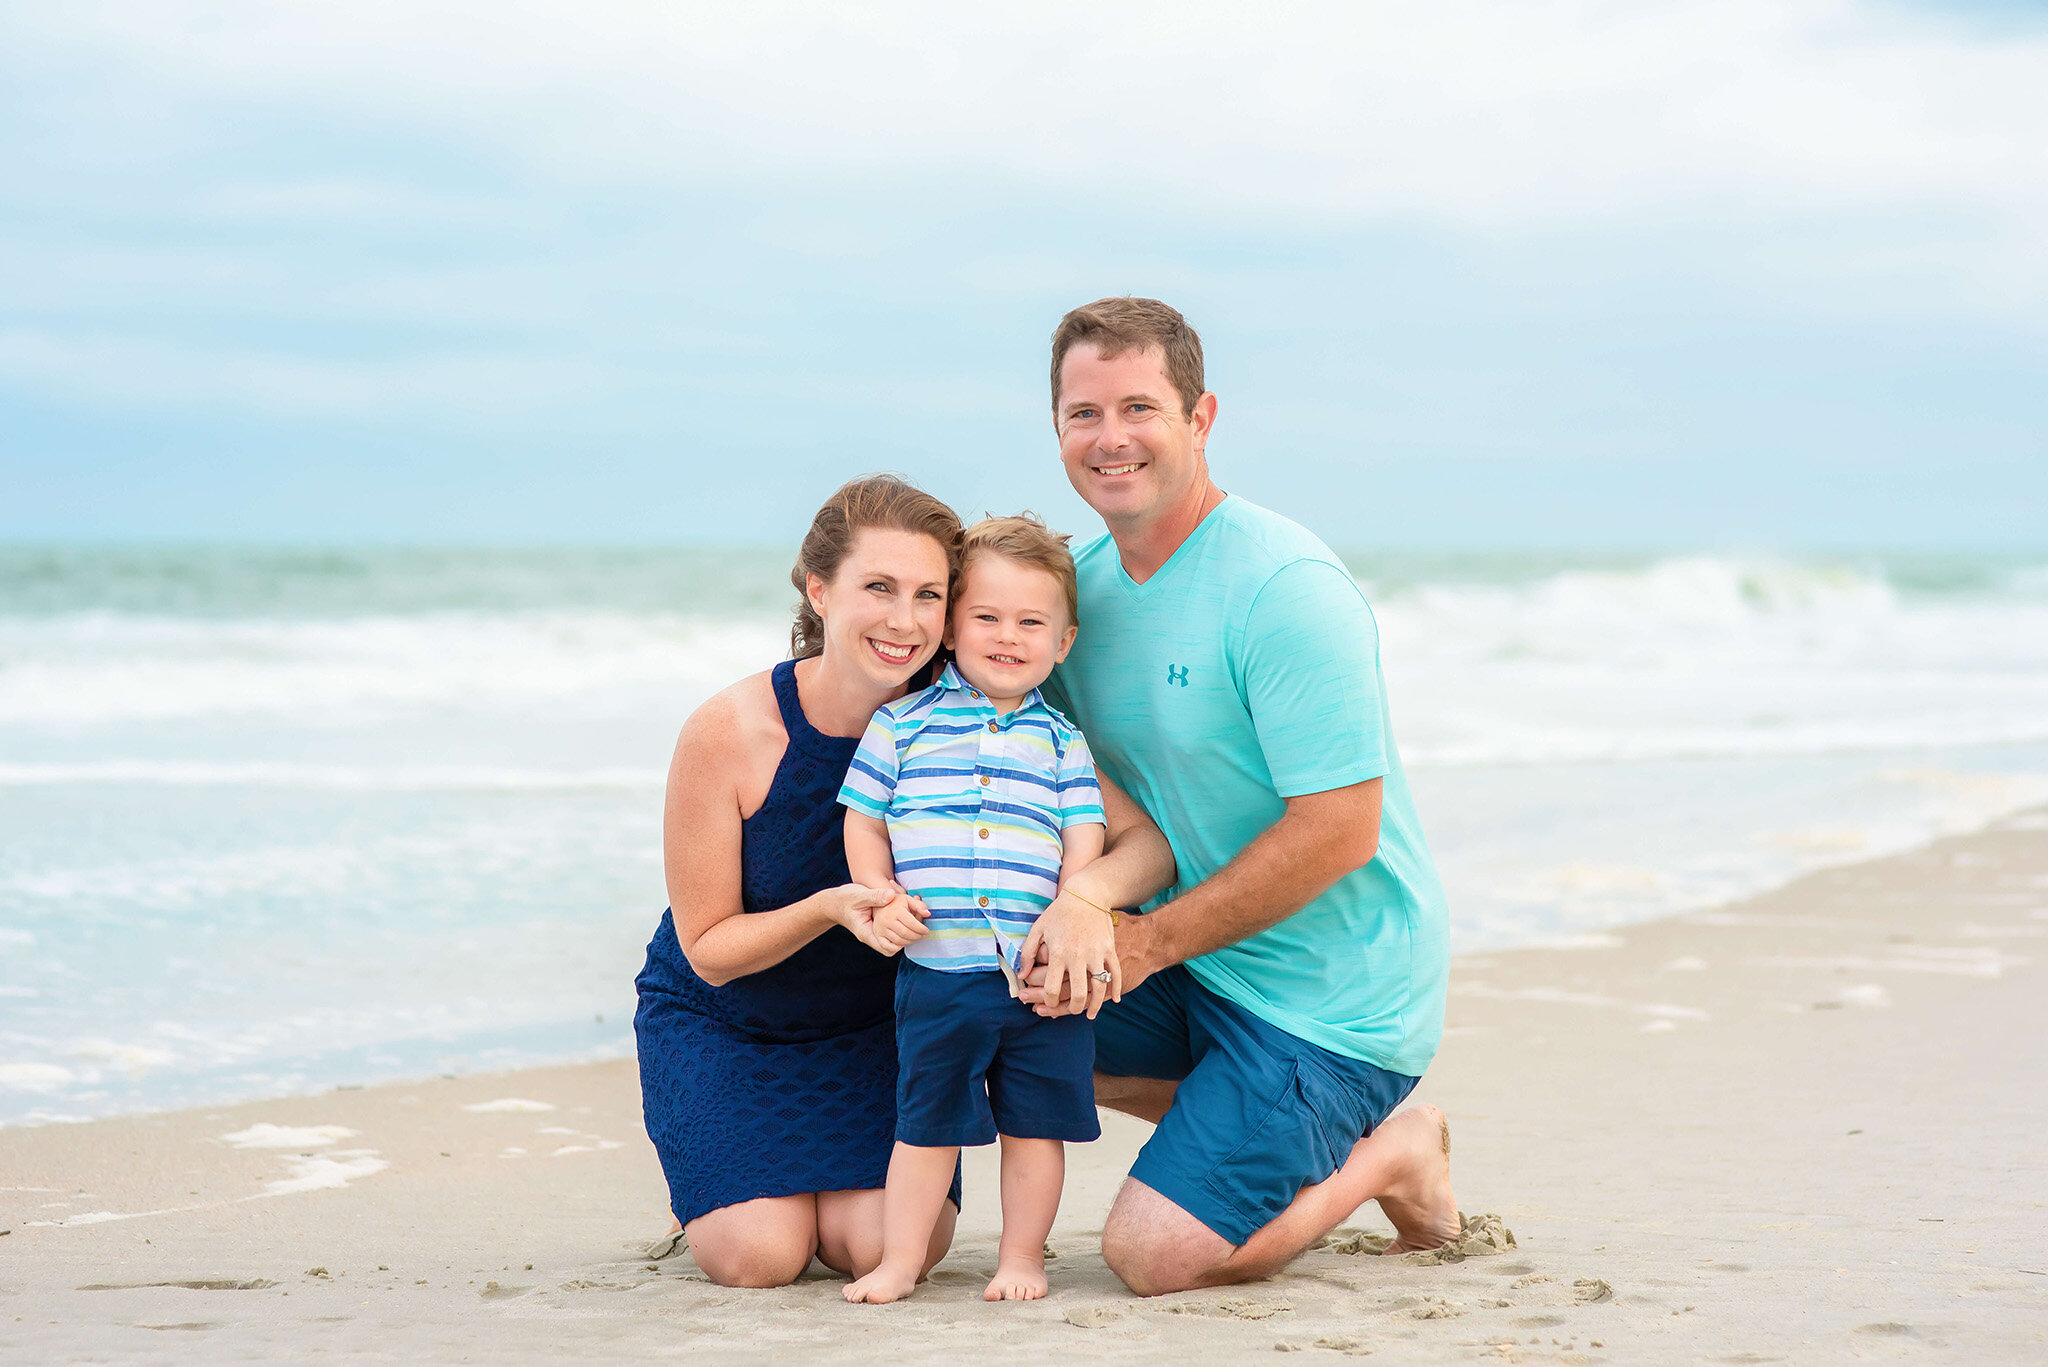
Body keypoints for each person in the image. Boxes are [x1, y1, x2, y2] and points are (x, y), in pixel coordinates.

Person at [633, 475, 1170, 1290]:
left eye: (929, 595)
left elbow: (1145, 847)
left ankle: (795, 1185)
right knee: (760, 1255)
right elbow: (709, 951)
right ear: (819, 590)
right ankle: (715, 1183)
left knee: (879, 1242)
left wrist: (1083, 899)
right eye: (877, 588)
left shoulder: (981, 713)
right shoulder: (733, 730)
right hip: (729, 1019)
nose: (904, 620)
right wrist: (829, 906)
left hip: (884, 1027)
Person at [1024, 297, 1462, 1296]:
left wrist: (1146, 940)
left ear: (1200, 417)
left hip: (1335, 992)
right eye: (1082, 413)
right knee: (984, 1014)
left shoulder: (1283, 586)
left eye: (1139, 406)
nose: (1110, 437)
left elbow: (1340, 830)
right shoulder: (1072, 599)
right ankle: (1240, 1113)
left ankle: (1392, 1147)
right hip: (1196, 965)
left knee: (1153, 1254)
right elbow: (1019, 760)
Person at [837, 515, 1121, 1305]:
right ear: (952, 625)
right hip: (937, 969)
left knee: (1037, 1125)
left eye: (1032, 622)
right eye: (987, 617)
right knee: (923, 1122)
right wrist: (877, 894)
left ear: (1063, 642)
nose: (1008, 635)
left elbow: (1085, 834)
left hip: (1035, 975)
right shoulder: (901, 723)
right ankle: (898, 1261)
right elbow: (863, 816)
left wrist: (1074, 909)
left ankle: (1022, 1256)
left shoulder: (1063, 741)